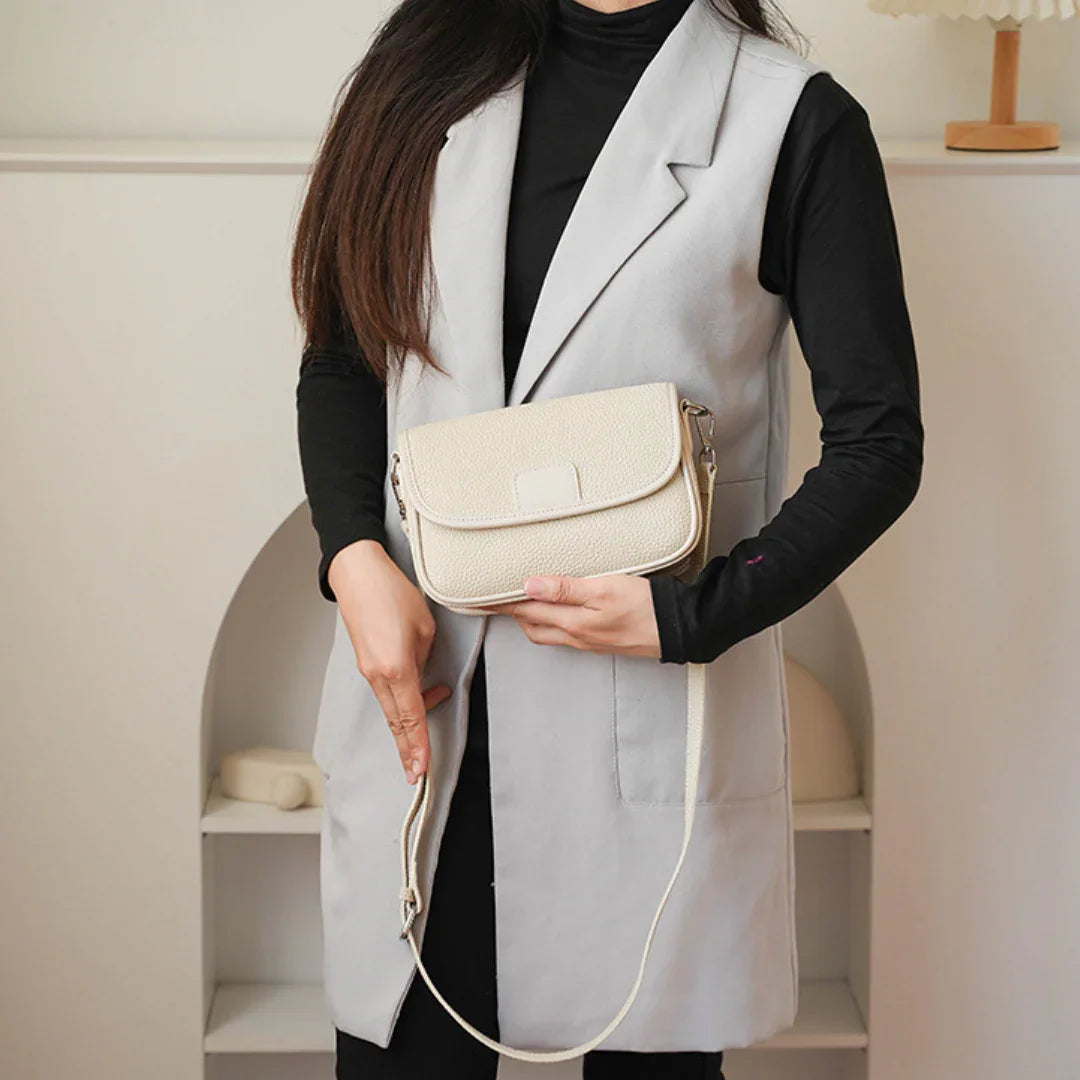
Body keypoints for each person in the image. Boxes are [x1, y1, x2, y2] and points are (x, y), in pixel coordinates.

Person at [293, 0, 923, 1076]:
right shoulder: (423, 64)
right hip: (426, 701)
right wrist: (355, 558)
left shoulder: (792, 120)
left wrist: (692, 614)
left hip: (649, 727)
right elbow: (345, 358)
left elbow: (879, 445)